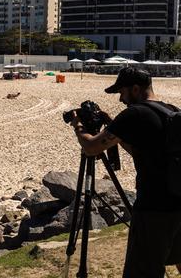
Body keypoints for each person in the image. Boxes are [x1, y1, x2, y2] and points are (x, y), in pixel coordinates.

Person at [71, 67, 181, 276]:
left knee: (143, 270)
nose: (121, 99)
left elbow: (91, 148)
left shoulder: (134, 114)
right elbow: (139, 150)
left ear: (136, 89)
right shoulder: (170, 110)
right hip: (178, 201)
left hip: (154, 209)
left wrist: (78, 126)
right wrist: (114, 126)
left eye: (122, 92)